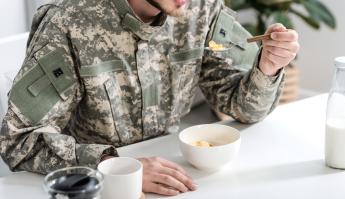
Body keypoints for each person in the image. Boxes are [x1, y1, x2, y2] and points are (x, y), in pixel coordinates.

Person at [0, 0, 299, 196]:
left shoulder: (203, 9)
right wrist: (114, 164)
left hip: (180, 177)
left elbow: (242, 108)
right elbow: (18, 140)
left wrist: (266, 68)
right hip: (101, 187)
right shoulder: (69, 22)